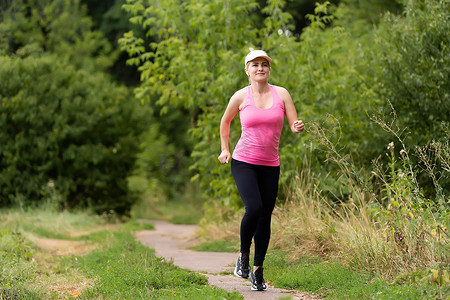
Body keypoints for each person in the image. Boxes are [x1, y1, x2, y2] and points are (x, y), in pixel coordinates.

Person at [218, 50, 304, 291]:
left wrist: (297, 126)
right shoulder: (239, 96)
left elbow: (294, 125)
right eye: (255, 65)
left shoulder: (282, 94)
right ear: (247, 69)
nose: (260, 68)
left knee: (265, 217)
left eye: (264, 65)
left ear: (269, 69)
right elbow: (225, 121)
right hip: (243, 161)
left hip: (270, 164)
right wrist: (225, 149)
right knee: (254, 207)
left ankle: (258, 270)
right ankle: (243, 257)